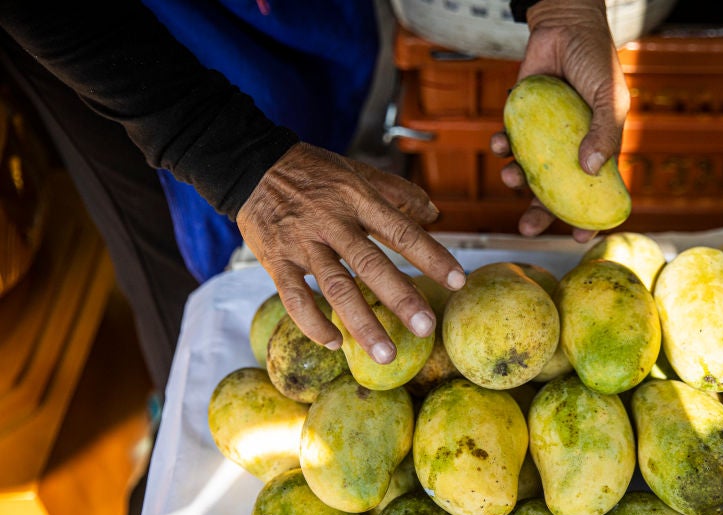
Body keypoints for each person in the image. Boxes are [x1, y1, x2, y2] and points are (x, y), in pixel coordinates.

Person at [0, 0, 629, 389]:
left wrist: (561, 7)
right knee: (190, 283)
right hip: (118, 38)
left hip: (310, 16)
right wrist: (228, 156)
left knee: (330, 158)